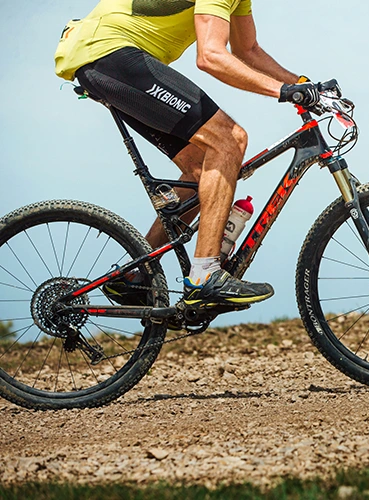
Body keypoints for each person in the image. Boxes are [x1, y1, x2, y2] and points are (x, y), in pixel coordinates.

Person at [54, 0, 321, 309]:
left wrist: (302, 85)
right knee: (230, 139)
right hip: (109, 51)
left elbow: (248, 51)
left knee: (200, 168)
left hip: (103, 57)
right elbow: (210, 56)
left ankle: (136, 274)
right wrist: (283, 92)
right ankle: (205, 275)